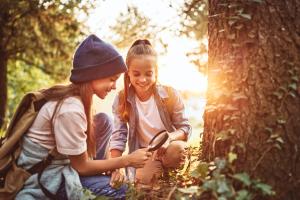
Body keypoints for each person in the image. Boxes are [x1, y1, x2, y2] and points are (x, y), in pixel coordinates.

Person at [15, 35, 151, 200]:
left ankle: (103, 175)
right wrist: (126, 160)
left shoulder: (78, 99)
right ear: (94, 74)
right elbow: (81, 167)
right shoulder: (70, 109)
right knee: (123, 191)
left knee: (103, 120)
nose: (114, 86)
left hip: (64, 163)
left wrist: (113, 166)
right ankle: (96, 182)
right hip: (45, 176)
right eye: (112, 79)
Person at [109, 39, 192, 184]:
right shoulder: (122, 99)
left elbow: (185, 128)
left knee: (177, 151)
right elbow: (118, 136)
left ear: (156, 73)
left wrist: (169, 138)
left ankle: (172, 178)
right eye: (136, 74)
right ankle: (158, 178)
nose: (142, 79)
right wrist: (116, 167)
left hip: (170, 148)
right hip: (146, 154)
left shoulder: (170, 94)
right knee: (145, 183)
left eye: (148, 74)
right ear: (128, 73)